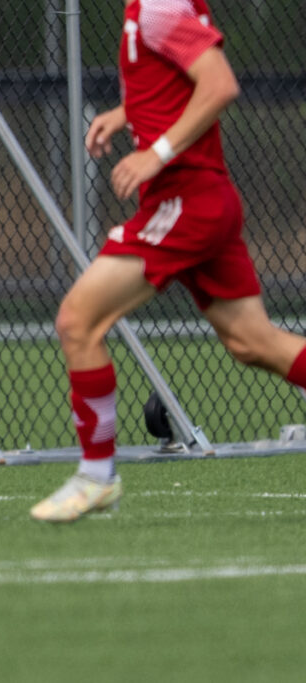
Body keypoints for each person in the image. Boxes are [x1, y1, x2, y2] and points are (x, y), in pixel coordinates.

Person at [31, 0, 306, 522]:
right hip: (204, 201)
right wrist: (125, 114)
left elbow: (218, 84)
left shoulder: (157, 5)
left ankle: (96, 477)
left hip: (186, 203)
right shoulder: (148, 8)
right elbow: (171, 84)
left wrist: (154, 153)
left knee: (77, 321)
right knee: (254, 342)